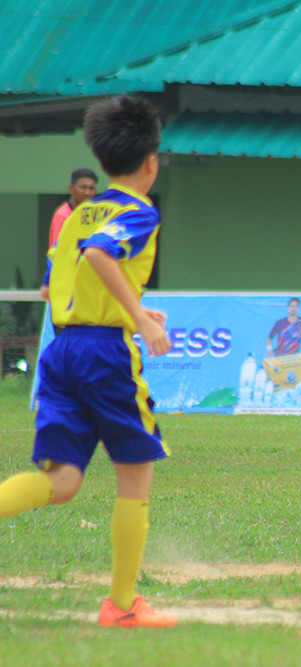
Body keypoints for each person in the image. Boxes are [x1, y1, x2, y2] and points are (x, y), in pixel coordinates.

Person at [0, 96, 176, 628]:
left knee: (63, 482)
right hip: (103, 353)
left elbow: (70, 276)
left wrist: (134, 307)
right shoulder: (137, 210)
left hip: (63, 349)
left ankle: (122, 605)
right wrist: (139, 321)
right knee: (135, 474)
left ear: (99, 164)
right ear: (152, 161)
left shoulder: (77, 214)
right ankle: (121, 606)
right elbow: (102, 256)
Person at [48, 168, 98, 247]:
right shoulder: (63, 215)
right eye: (83, 187)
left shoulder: (93, 215)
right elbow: (57, 249)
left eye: (91, 188)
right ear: (71, 189)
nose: (88, 193)